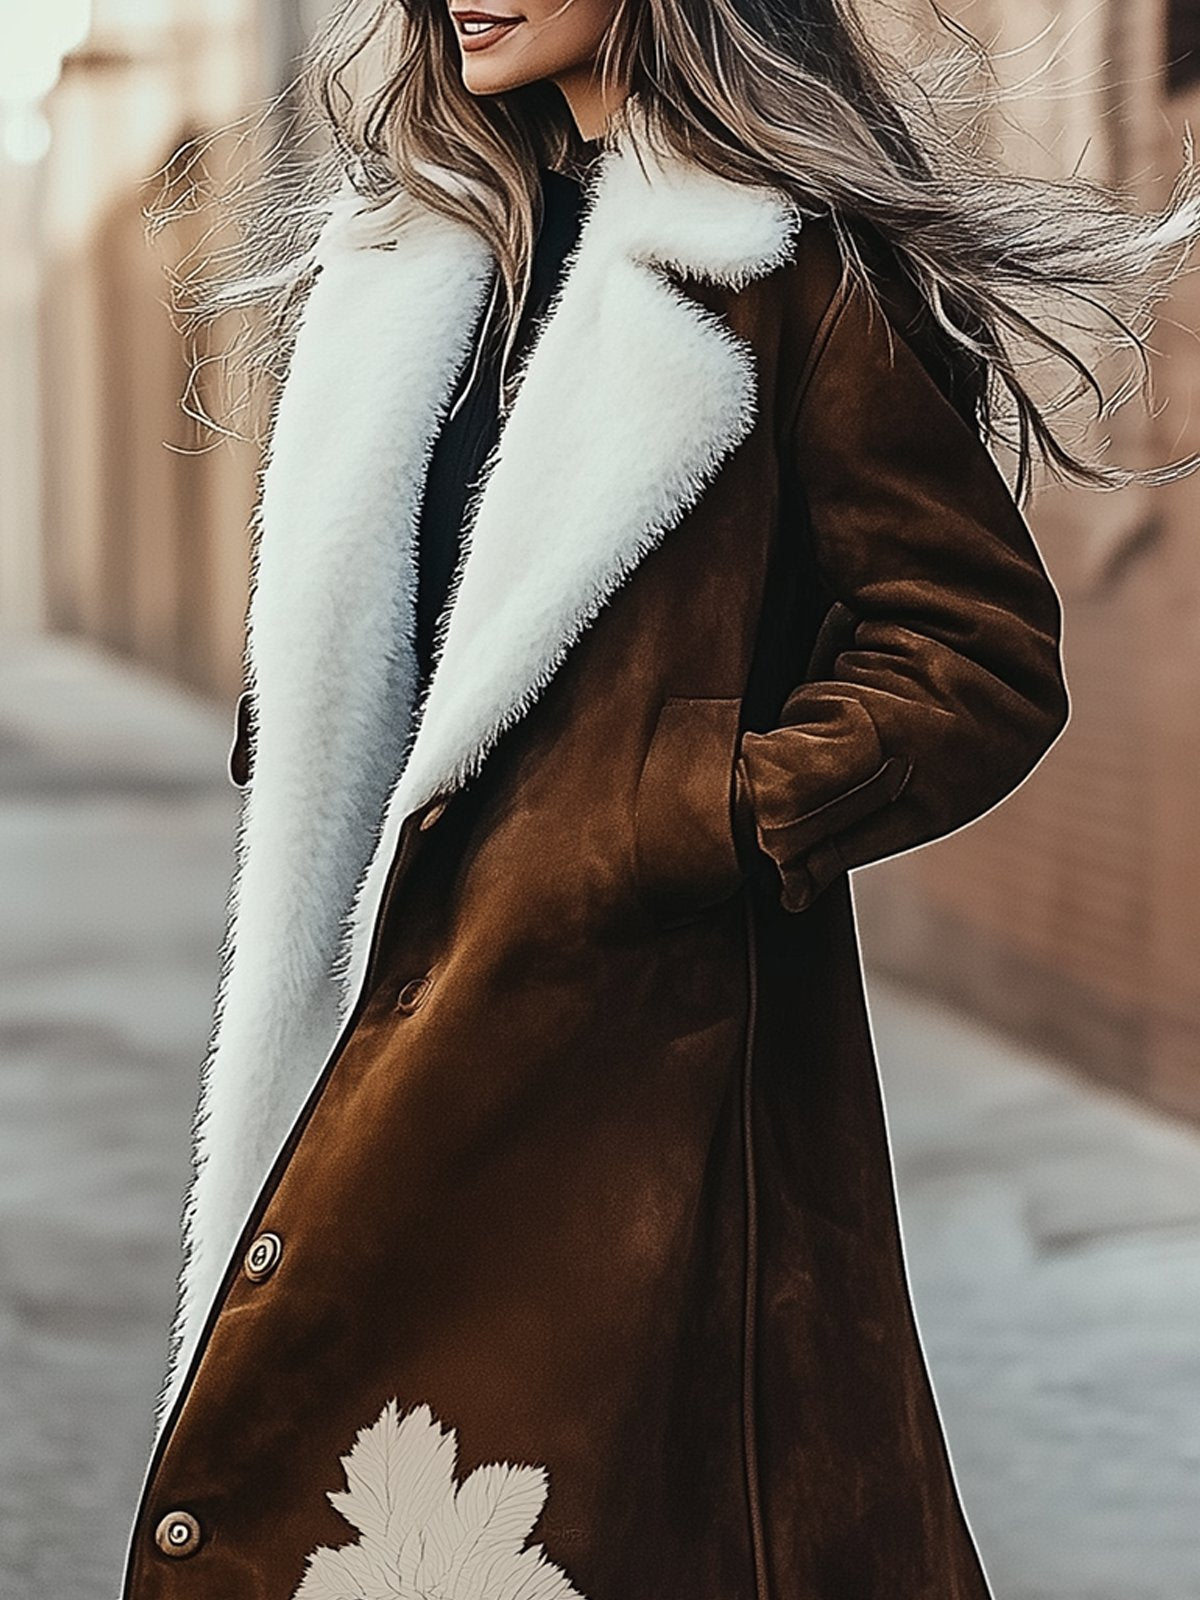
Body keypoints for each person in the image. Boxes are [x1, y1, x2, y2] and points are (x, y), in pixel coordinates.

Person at [125, 2, 1199, 1597]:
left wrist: (683, 809)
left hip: (640, 1090)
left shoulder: (782, 268)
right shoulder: (406, 260)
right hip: (383, 1036)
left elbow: (974, 651)